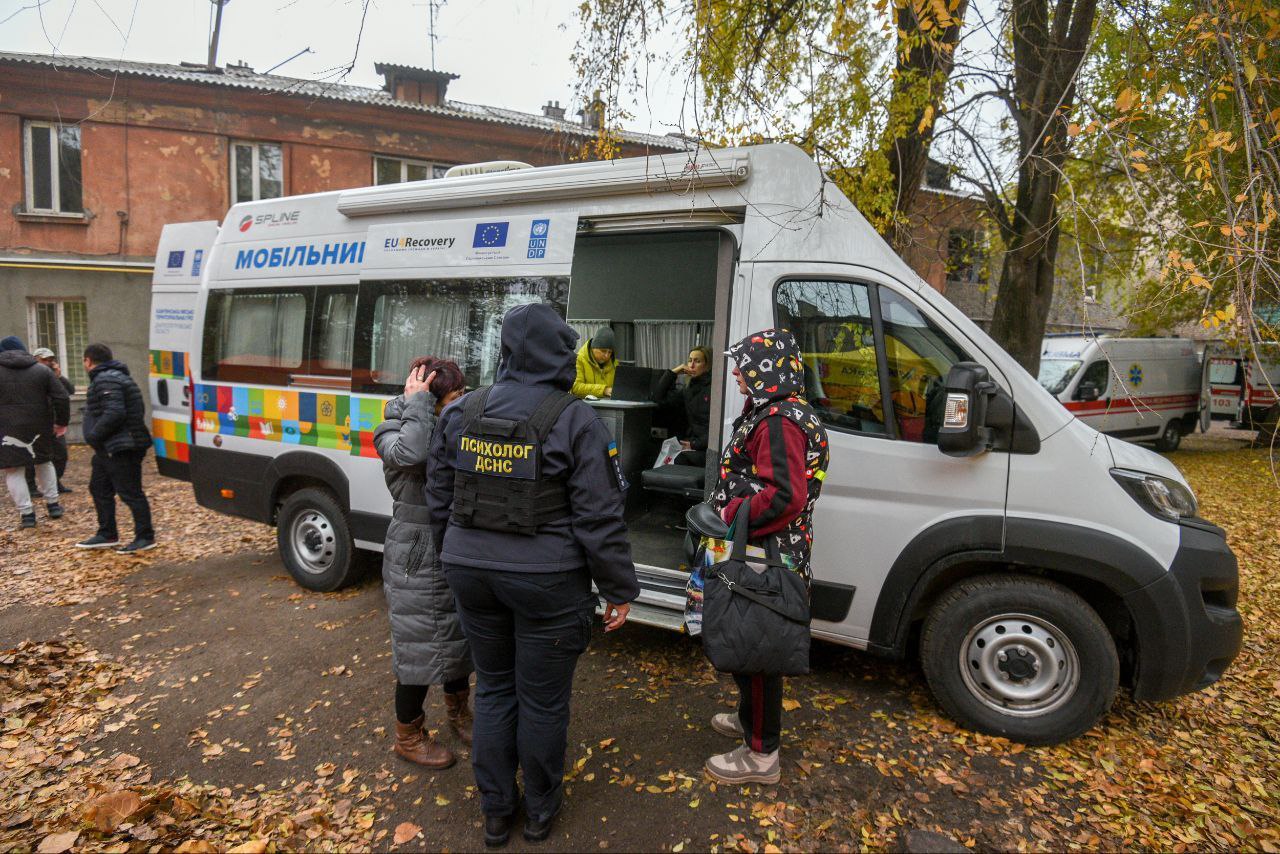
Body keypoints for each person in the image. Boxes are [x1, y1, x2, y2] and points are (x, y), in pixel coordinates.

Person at [426, 304, 638, 848]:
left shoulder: (460, 411)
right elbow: (599, 517)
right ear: (561, 354)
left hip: (471, 575)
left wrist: (454, 559)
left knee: (495, 689)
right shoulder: (575, 419)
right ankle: (540, 811)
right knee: (542, 702)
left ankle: (497, 812)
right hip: (547, 581)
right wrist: (619, 589)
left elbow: (439, 498)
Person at [703, 328, 829, 785]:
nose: (737, 373)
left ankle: (761, 754)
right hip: (767, 548)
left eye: (744, 366)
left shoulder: (779, 421)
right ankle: (750, 719)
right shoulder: (776, 410)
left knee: (757, 645)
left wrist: (731, 514)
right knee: (749, 639)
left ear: (767, 370)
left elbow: (784, 497)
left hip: (765, 552)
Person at [373, 356, 473, 770]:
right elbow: (413, 455)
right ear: (429, 400)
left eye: (464, 394)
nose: (461, 403)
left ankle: (459, 712)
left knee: (458, 636)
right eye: (453, 397)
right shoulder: (392, 430)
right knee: (418, 648)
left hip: (452, 542)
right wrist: (417, 404)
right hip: (415, 551)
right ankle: (408, 736)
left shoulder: (453, 423)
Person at [77, 343, 155, 553]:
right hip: (110, 446)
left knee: (130, 492)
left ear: (88, 361)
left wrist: (94, 435)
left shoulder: (106, 379)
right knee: (99, 487)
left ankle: (145, 537)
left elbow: (115, 412)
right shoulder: (112, 377)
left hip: (120, 446)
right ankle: (107, 533)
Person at [0, 336, 69, 529]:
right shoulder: (42, 370)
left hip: (6, 428)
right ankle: (53, 505)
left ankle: (27, 515)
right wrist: (61, 422)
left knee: (13, 470)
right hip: (39, 425)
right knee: (44, 462)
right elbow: (62, 396)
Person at [652, 345, 713, 468]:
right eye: (690, 360)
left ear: (707, 366)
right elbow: (657, 397)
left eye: (697, 361)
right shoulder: (688, 389)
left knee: (676, 461)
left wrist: (694, 444)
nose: (691, 365)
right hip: (690, 444)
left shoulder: (713, 389)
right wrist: (674, 372)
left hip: (706, 448)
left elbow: (716, 429)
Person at [26, 347, 74, 495]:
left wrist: (59, 377)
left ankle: (55, 482)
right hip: (33, 422)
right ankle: (30, 487)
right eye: (44, 360)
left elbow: (69, 391)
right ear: (35, 359)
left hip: (53, 422)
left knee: (60, 455)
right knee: (31, 455)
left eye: (50, 360)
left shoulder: (53, 377)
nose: (48, 363)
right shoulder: (29, 375)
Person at [570, 326, 617, 399]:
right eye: (603, 351)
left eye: (610, 352)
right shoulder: (578, 360)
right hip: (585, 404)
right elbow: (575, 387)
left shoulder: (614, 363)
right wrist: (604, 390)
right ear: (593, 347)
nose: (606, 356)